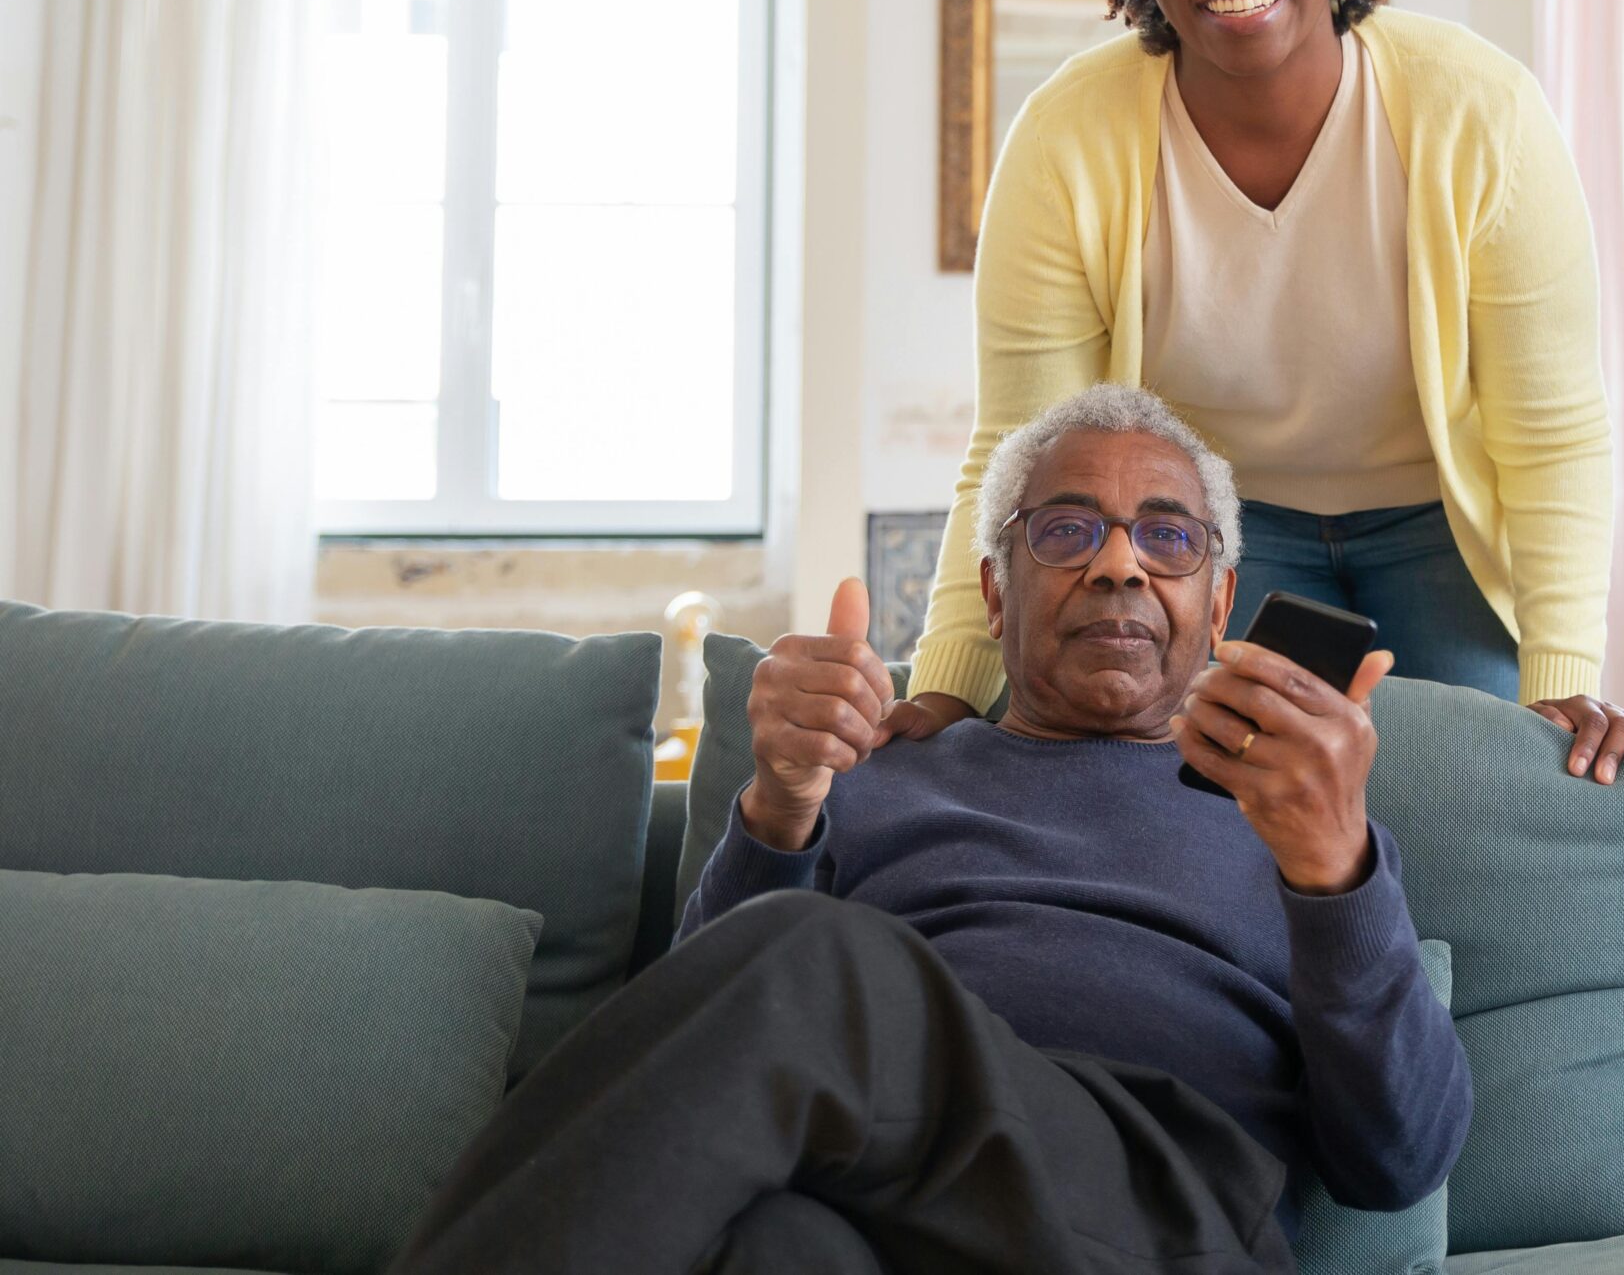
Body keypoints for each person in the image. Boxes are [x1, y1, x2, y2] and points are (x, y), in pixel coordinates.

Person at [390, 385, 1470, 1275]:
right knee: (775, 1244)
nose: (1118, 565)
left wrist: (1334, 865)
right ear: (994, 595)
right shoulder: (878, 774)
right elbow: (693, 1050)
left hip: (1157, 1218)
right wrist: (780, 799)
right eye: (1066, 529)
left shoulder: (1293, 812)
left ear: (1220, 598)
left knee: (817, 960)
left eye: (1168, 536)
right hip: (886, 1215)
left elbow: (1401, 1156)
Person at [900, 0, 1624, 785]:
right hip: (1214, 529)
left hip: (1438, 528)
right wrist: (944, 684)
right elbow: (1023, 443)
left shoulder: (1477, 112)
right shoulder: (1065, 137)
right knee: (1199, 796)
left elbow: (1553, 429)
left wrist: (1557, 674)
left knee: (1476, 794)